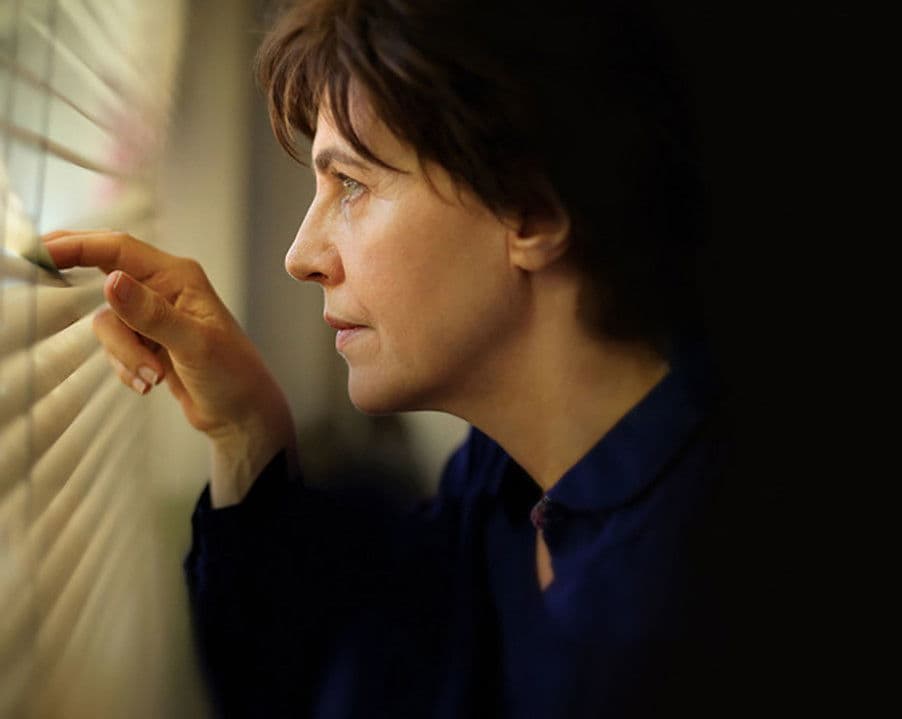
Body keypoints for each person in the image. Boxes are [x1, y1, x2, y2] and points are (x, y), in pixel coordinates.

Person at [44, 1, 790, 716]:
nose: (301, 256)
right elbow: (342, 677)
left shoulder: (669, 617)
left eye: (352, 184)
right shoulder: (507, 478)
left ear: (531, 212)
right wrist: (246, 431)